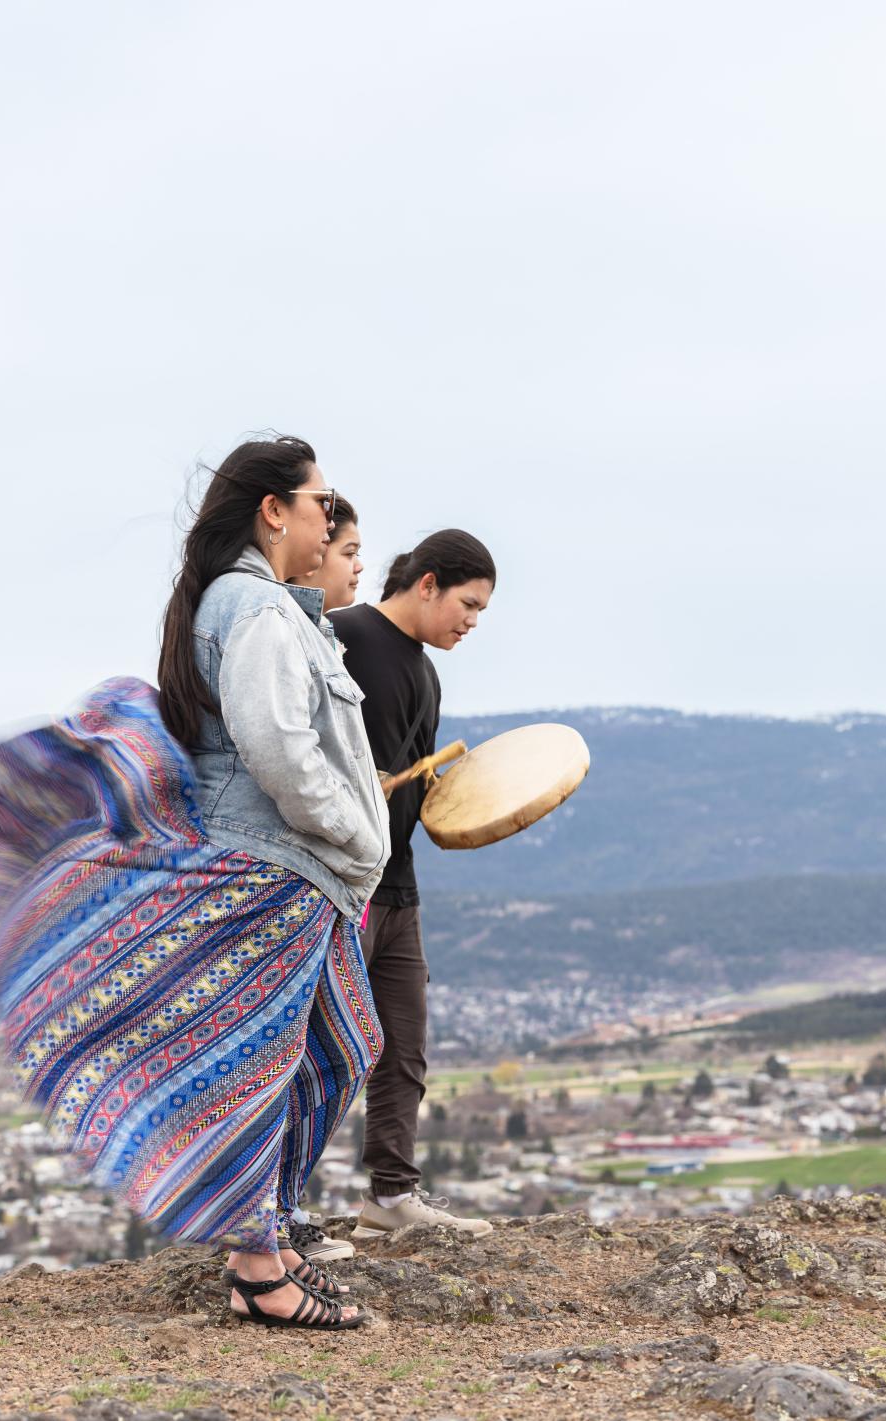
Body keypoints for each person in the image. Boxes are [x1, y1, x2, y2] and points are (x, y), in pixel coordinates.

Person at [0, 436, 389, 1332]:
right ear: (276, 509)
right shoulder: (259, 612)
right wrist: (357, 834)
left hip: (299, 873)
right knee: (263, 1068)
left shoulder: (263, 607)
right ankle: (257, 1267)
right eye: (322, 499)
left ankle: (265, 1236)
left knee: (336, 1044)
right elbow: (277, 747)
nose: (331, 514)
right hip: (273, 870)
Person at [328, 529, 497, 1243]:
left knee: (404, 1051)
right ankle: (268, 1212)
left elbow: (417, 796)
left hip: (399, 890)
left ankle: (391, 1198)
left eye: (482, 611)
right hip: (337, 890)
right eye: (468, 602)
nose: (472, 621)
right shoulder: (340, 635)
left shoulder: (427, 674)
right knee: (318, 1055)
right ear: (427, 582)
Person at [294, 495, 364, 611]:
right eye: (350, 553)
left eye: (357, 554)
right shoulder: (275, 622)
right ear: (311, 553)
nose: (359, 567)